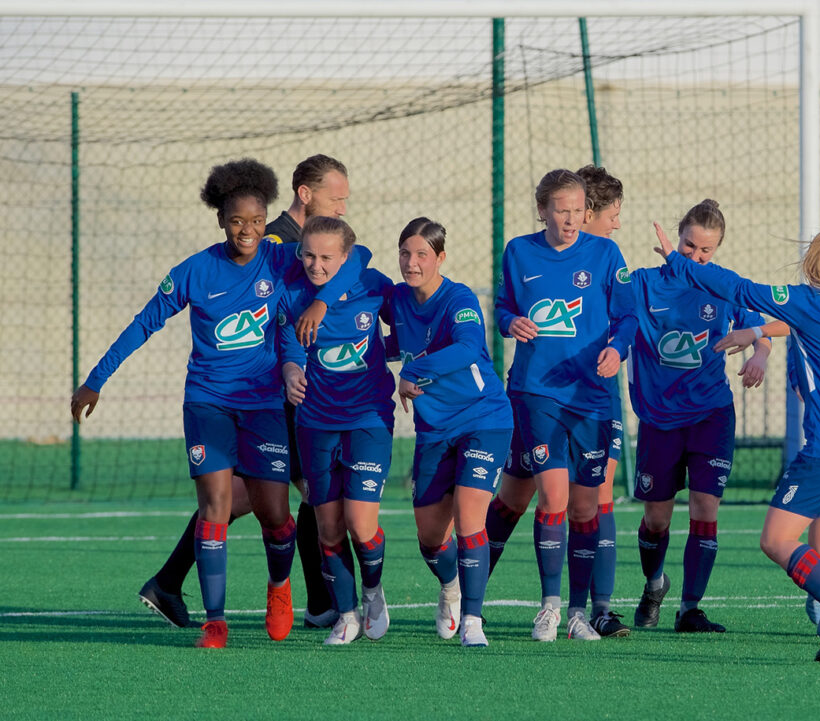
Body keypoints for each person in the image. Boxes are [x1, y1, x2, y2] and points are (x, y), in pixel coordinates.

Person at [72, 158, 363, 648]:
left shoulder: (280, 259)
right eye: (236, 221)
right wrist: (95, 380)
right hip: (207, 403)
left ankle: (279, 587)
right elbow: (144, 322)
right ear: (221, 221)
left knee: (275, 514)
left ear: (264, 218)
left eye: (255, 221)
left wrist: (315, 311)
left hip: (265, 406)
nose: (247, 230)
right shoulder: (193, 270)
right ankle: (215, 622)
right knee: (215, 506)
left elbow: (352, 261)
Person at [653, 196, 820, 662]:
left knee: (775, 540)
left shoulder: (807, 303)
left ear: (814, 261)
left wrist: (676, 260)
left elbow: (735, 287)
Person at [485, 165, 631, 638]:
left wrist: (616, 347)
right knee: (551, 497)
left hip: (591, 398)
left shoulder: (606, 253)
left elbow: (626, 317)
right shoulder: (519, 251)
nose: (571, 220)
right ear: (542, 210)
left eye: (578, 211)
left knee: (587, 509)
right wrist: (509, 323)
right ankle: (545, 606)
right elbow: (504, 306)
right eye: (562, 211)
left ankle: (579, 613)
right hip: (536, 392)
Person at [629, 199, 772, 634]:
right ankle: (655, 585)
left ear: (717, 250)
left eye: (706, 251)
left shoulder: (722, 288)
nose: (696, 257)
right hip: (660, 417)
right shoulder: (644, 284)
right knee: (657, 519)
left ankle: (690, 608)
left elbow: (761, 332)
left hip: (711, 414)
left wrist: (760, 355)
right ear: (678, 236)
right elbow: (609, 317)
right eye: (689, 245)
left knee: (705, 508)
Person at [392, 217, 514, 648]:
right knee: (429, 538)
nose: (412, 262)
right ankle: (451, 588)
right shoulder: (397, 299)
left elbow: (465, 349)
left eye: (422, 254)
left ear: (440, 258)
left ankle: (473, 622)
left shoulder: (459, 298)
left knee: (469, 517)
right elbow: (386, 336)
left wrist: (410, 370)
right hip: (433, 429)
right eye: (405, 253)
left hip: (484, 419)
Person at [278, 216, 395, 645]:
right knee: (327, 527)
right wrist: (292, 373)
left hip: (368, 419)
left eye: (327, 257)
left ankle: (372, 591)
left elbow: (406, 317)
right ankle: (346, 615)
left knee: (361, 525)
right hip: (315, 424)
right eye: (308, 254)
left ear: (345, 258)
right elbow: (290, 348)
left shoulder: (373, 284)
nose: (315, 265)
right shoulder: (291, 295)